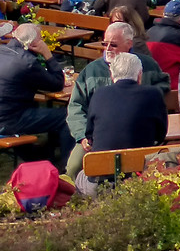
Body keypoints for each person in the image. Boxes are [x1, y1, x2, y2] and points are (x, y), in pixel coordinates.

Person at [64, 21, 170, 176]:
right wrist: (82, 136)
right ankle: (78, 197)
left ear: (129, 44)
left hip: (136, 132)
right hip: (95, 135)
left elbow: (163, 83)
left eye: (113, 45)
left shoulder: (146, 65)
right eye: (104, 43)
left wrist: (141, 97)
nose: (107, 49)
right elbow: (76, 106)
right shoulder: (91, 70)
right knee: (73, 167)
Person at [0, 24, 70, 168]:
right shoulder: (27, 62)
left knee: (34, 109)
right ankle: (66, 167)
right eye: (41, 41)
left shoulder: (0, 51)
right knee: (66, 117)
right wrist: (48, 54)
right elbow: (57, 83)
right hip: (1, 122)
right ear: (34, 44)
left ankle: (44, 157)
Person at [76, 51, 168, 194]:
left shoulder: (99, 94)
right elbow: (161, 134)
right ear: (139, 75)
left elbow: (90, 134)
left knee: (80, 177)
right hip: (140, 178)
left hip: (101, 181)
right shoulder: (153, 94)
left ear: (112, 75)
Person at [147, 0, 180, 86]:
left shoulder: (149, 31)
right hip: (169, 83)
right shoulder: (177, 36)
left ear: (163, 15)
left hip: (150, 80)